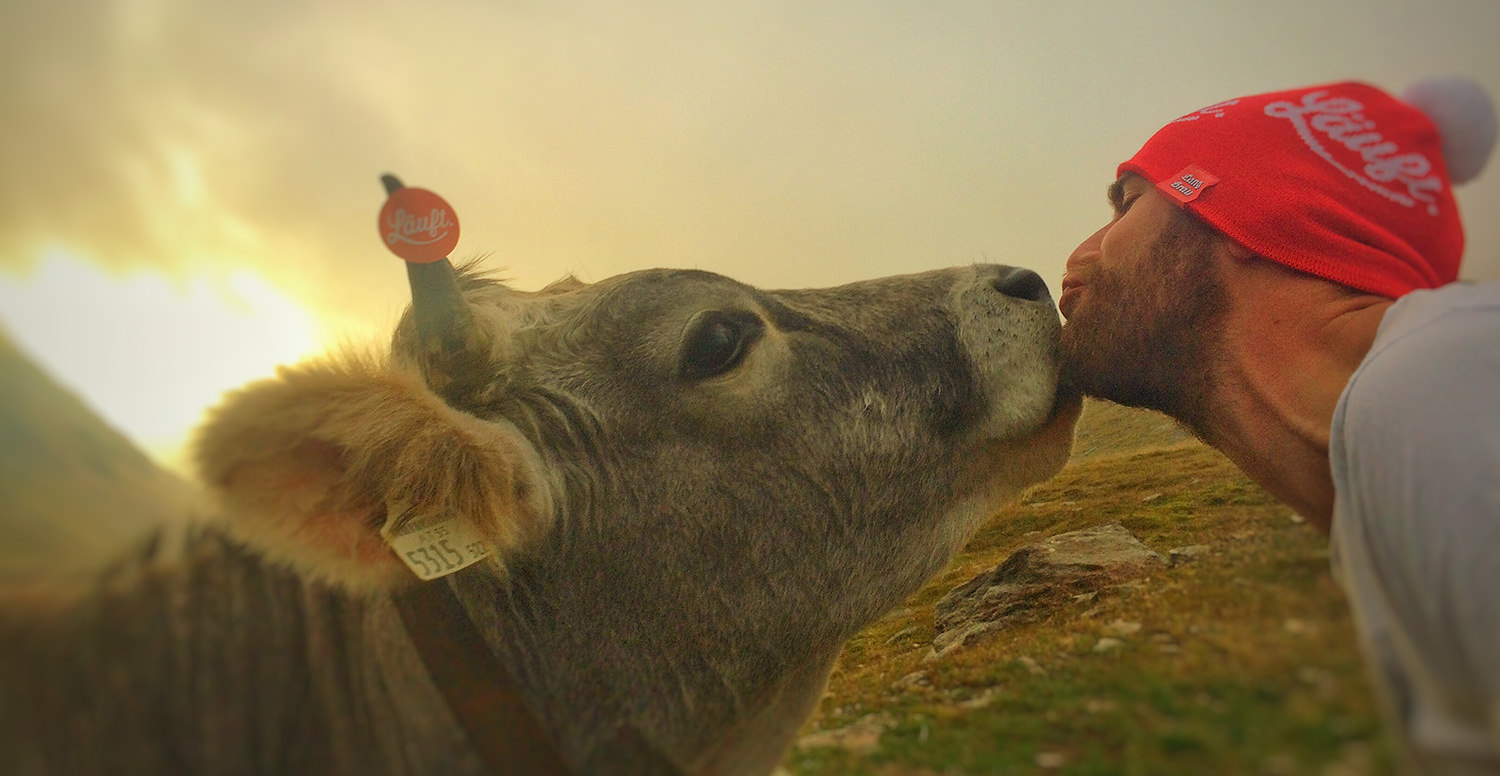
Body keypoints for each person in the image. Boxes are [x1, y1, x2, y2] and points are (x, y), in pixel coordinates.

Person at [1056, 78, 1498, 774]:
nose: (1080, 255)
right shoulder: (1386, 452)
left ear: (1246, 215)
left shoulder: (1444, 387)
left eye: (1130, 204)